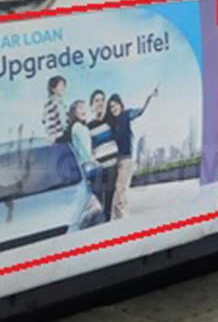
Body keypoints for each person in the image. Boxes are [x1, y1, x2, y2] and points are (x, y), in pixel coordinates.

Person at [106, 87, 158, 220]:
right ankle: (117, 215)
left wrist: (149, 97)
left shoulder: (126, 115)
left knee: (121, 187)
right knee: (118, 188)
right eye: (111, 107)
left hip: (127, 158)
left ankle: (120, 215)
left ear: (120, 104)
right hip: (117, 160)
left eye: (115, 105)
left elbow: (140, 111)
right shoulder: (112, 123)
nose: (114, 108)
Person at [64, 99, 104, 229]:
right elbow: (82, 148)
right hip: (86, 165)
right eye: (79, 108)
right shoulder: (76, 127)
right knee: (94, 199)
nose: (83, 110)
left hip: (87, 164)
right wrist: (92, 160)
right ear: (74, 112)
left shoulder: (82, 127)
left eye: (84, 108)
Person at [87, 89, 120, 220]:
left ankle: (108, 220)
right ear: (92, 105)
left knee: (110, 198)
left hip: (113, 164)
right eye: (97, 100)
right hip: (98, 167)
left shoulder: (110, 121)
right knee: (99, 199)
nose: (100, 103)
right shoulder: (88, 126)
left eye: (102, 100)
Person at [42, 76, 68, 143]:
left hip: (65, 137)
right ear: (53, 88)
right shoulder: (50, 104)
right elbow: (49, 123)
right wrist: (53, 138)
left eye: (64, 85)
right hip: (58, 139)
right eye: (61, 85)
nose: (63, 88)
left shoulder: (62, 104)